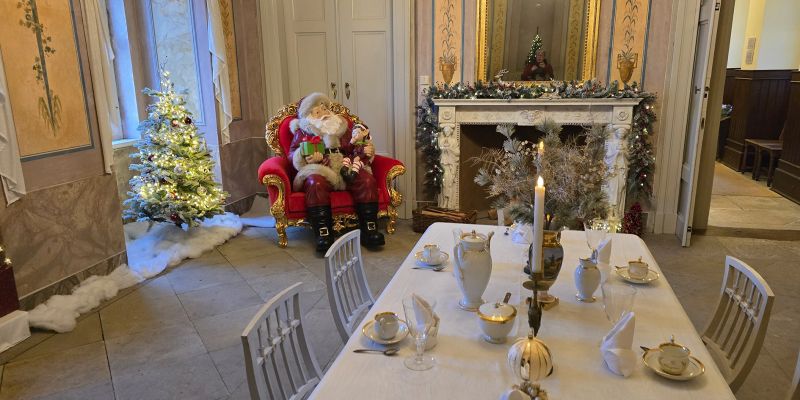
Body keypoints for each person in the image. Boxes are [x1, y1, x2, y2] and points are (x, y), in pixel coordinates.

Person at [289, 93, 384, 252]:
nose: (324, 113)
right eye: (317, 111)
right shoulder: (303, 131)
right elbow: (292, 154)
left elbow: (355, 146)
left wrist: (366, 149)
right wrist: (306, 157)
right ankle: (323, 233)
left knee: (366, 180)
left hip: (346, 166)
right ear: (309, 115)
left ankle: (370, 229)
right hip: (321, 168)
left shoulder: (342, 127)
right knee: (315, 183)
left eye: (325, 108)